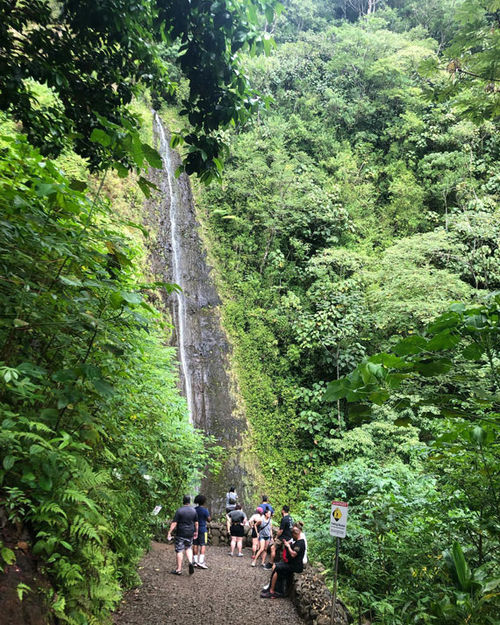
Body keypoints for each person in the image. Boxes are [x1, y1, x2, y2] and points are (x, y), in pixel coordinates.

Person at [260, 523, 306, 598]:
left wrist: (288, 546)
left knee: (277, 567)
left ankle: (272, 591)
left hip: (295, 566)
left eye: (293, 535)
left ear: (296, 534)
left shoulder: (300, 543)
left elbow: (293, 554)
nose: (292, 537)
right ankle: (272, 589)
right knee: (276, 567)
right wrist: (288, 544)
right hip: (291, 563)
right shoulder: (297, 541)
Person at [167, 495, 198, 576]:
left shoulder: (179, 511)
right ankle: (191, 562)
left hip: (181, 532)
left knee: (180, 550)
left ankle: (179, 569)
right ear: (189, 501)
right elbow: (196, 523)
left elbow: (174, 523)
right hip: (190, 532)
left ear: (183, 501)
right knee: (188, 548)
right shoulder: (194, 511)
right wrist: (196, 531)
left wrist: (169, 532)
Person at [265, 505, 293, 570]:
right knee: (285, 552)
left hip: (283, 538)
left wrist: (276, 537)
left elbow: (281, 531)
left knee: (272, 548)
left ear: (283, 510)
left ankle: (270, 563)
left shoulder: (284, 519)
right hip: (289, 537)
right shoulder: (290, 518)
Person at [193, 494, 211, 569]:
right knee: (203, 544)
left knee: (195, 544)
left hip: (194, 529)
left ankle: (195, 561)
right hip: (203, 529)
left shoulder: (194, 509)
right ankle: (201, 561)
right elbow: (209, 519)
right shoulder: (205, 510)